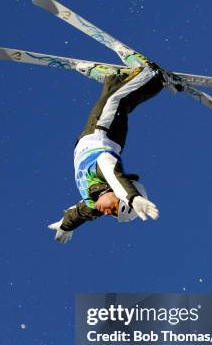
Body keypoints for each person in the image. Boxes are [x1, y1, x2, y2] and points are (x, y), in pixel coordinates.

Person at [48, 47, 165, 243]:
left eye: (111, 214)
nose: (107, 212)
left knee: (111, 101)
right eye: (114, 209)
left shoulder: (93, 204)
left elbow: (79, 214)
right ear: (118, 195)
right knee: (116, 101)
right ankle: (151, 76)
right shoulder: (105, 168)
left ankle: (115, 79)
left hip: (92, 138)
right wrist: (133, 198)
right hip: (102, 132)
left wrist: (65, 225)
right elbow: (116, 177)